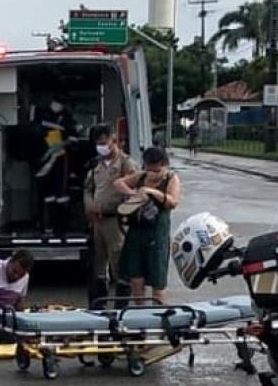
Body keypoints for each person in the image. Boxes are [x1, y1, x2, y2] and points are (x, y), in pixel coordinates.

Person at [115, 147, 182, 306]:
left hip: (157, 234)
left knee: (157, 280)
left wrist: (152, 192)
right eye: (148, 166)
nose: (152, 171)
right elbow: (118, 183)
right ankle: (140, 316)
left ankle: (158, 318)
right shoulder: (141, 176)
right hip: (137, 231)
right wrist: (135, 194)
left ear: (163, 164)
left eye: (156, 167)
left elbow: (173, 202)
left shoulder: (171, 178)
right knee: (136, 278)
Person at [83, 125, 137, 306]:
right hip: (97, 222)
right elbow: (88, 189)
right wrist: (90, 208)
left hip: (116, 221)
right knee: (98, 264)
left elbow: (133, 192)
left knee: (119, 263)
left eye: (104, 143)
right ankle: (99, 305)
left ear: (114, 140)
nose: (101, 147)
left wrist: (111, 209)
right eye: (98, 144)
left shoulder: (125, 163)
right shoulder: (96, 165)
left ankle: (120, 307)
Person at [34, 95, 79, 233]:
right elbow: (73, 139)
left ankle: (55, 225)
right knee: (52, 194)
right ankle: (52, 224)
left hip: (53, 159)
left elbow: (73, 139)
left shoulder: (63, 118)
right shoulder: (46, 116)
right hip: (48, 159)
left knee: (57, 194)